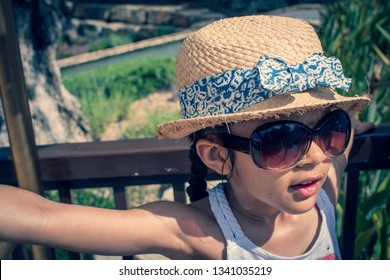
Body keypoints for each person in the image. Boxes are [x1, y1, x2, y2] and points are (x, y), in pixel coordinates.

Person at [0, 15, 373, 260]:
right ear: (216, 156)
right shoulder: (200, 234)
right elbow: (42, 218)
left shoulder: (324, 188)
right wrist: (334, 130)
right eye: (281, 139)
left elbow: (341, 147)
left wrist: (344, 130)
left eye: (330, 129)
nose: (315, 157)